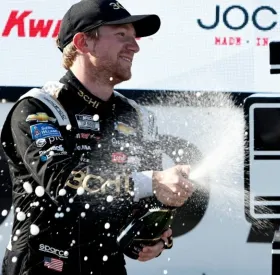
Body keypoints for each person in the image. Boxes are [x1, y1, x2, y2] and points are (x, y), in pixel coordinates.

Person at [0, 0, 194, 274]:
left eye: (134, 37)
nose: (135, 46)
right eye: (121, 35)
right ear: (82, 43)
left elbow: (141, 200)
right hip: (43, 265)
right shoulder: (38, 108)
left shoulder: (136, 116)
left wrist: (153, 235)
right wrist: (153, 182)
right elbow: (63, 184)